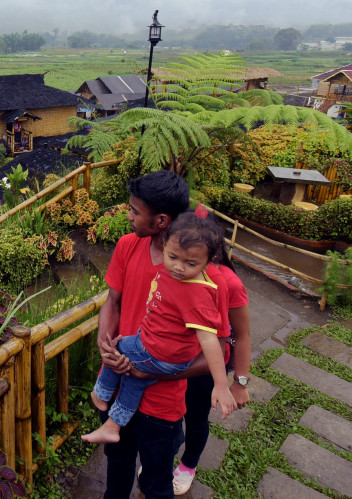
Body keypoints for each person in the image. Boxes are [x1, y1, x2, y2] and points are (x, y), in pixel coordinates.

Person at [95, 170, 227, 499]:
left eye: (135, 211)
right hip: (117, 384)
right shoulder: (127, 246)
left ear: (161, 220)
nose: (128, 216)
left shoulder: (205, 279)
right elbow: (112, 302)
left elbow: (219, 351)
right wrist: (103, 340)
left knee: (155, 483)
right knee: (118, 465)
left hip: (162, 404)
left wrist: (150, 370)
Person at [82, 213, 236, 445]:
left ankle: (100, 393)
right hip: (164, 352)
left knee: (118, 346)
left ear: (209, 261)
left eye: (191, 263)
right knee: (135, 379)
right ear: (164, 245)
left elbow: (210, 341)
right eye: (173, 257)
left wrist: (222, 386)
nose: (179, 267)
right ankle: (113, 426)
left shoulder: (196, 294)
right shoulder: (174, 274)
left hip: (158, 353)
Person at [172, 207, 252, 495]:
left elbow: (242, 335)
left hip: (204, 365)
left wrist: (239, 382)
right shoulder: (175, 268)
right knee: (167, 413)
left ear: (212, 248)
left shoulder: (228, 282)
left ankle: (188, 464)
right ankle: (163, 458)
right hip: (172, 358)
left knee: (194, 416)